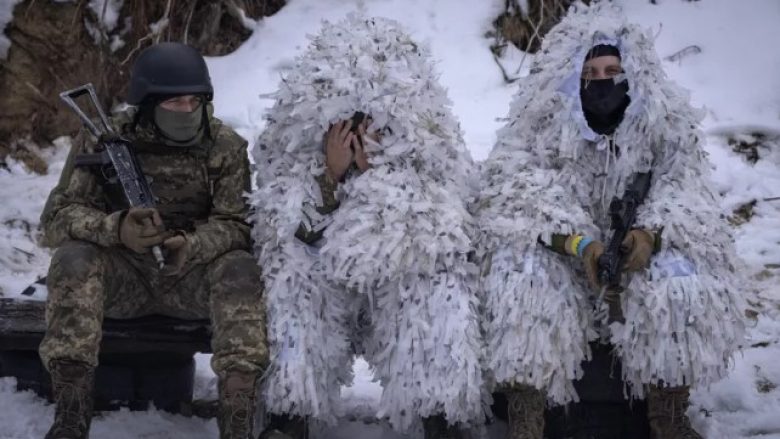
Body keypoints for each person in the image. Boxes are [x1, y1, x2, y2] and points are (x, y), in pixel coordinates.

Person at [477, 4, 746, 439]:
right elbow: (513, 194)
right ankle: (527, 417)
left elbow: (688, 192)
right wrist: (578, 245)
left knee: (680, 281)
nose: (602, 82)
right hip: (566, 267)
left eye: (612, 70)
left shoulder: (664, 126)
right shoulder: (539, 126)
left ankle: (668, 415)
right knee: (519, 276)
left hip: (635, 270)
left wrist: (648, 237)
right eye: (590, 73)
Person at [250, 16, 487, 439]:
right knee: (292, 281)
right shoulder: (295, 155)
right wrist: (330, 178)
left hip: (393, 292)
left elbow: (438, 231)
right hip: (327, 288)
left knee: (438, 282)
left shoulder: (431, 154)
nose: (359, 134)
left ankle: (440, 416)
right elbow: (284, 231)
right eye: (348, 123)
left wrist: (379, 176)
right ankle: (293, 413)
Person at [38, 42, 268, 439]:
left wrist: (190, 244)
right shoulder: (106, 140)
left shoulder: (224, 146)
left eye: (193, 100)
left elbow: (238, 225)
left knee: (241, 268)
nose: (186, 110)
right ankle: (71, 419)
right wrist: (117, 228)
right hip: (123, 281)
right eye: (175, 102)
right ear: (147, 103)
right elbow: (56, 221)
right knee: (72, 259)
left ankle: (238, 424)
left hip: (190, 282)